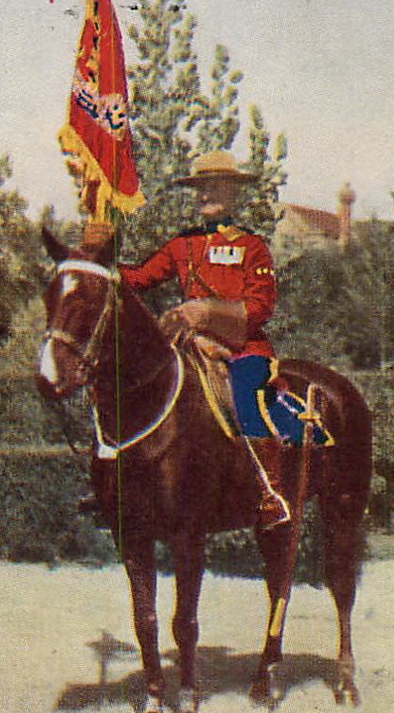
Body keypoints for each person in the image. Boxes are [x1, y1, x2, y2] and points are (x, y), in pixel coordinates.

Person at [110, 150, 301, 531]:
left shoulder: (252, 247)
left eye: (214, 186)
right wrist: (98, 263)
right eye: (199, 188)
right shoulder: (182, 245)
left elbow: (261, 308)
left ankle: (270, 493)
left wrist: (208, 312)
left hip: (241, 348)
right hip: (190, 347)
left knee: (247, 397)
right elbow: (141, 277)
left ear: (233, 192)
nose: (204, 195)